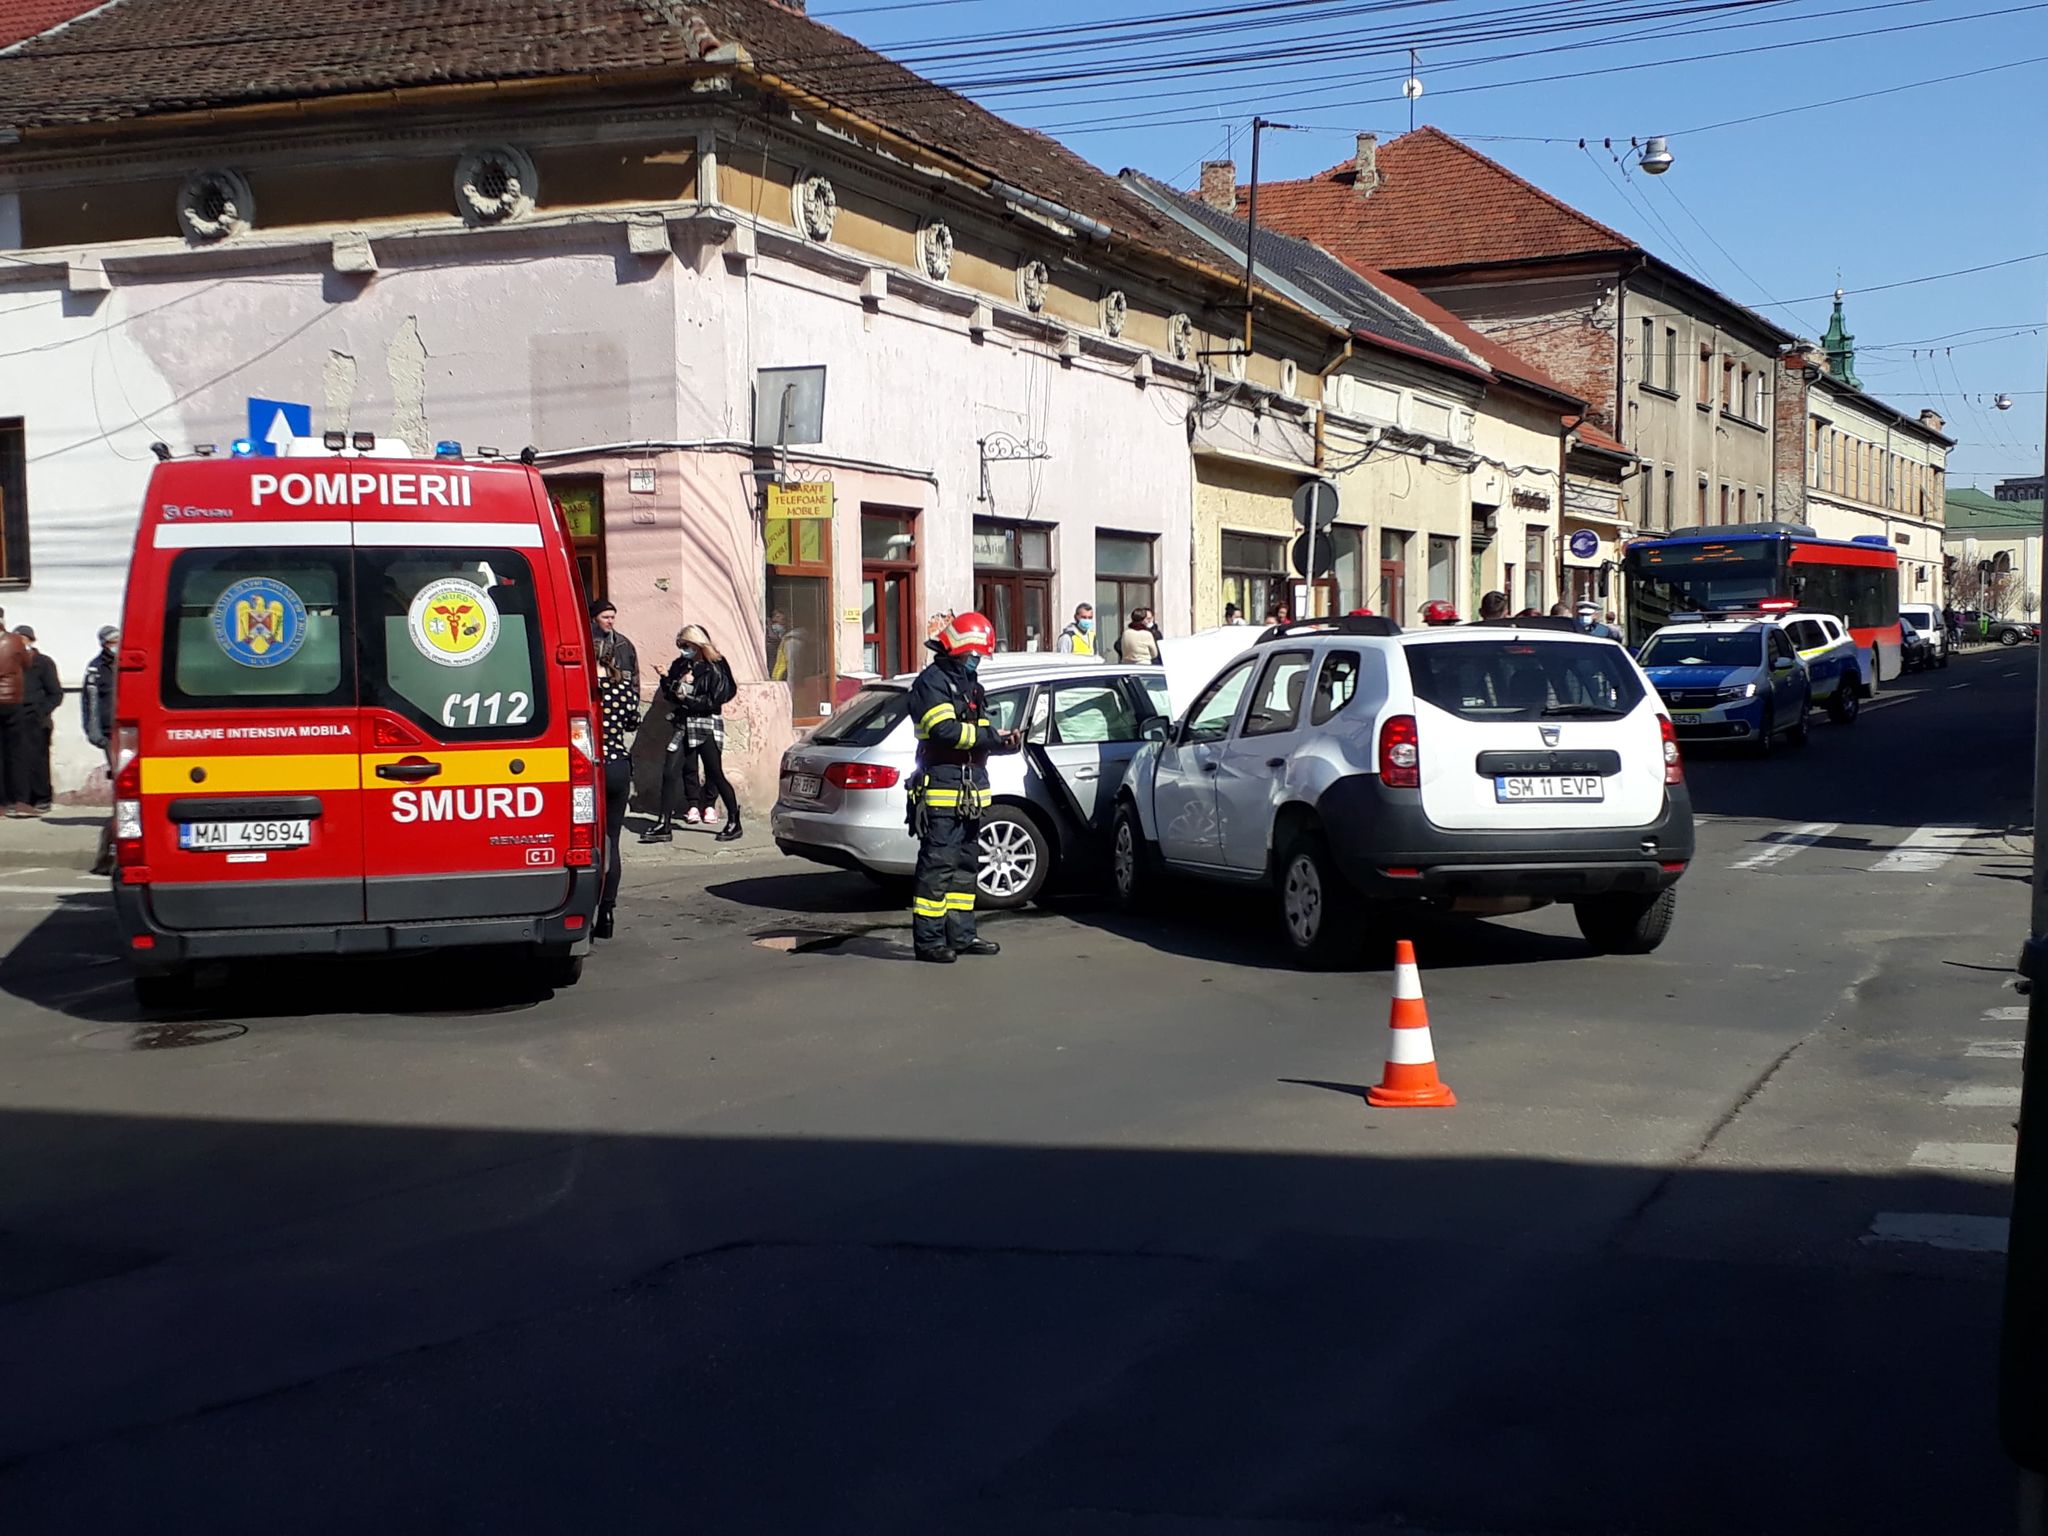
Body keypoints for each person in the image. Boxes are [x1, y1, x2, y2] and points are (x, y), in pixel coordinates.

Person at [906, 611, 1020, 963]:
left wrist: (1003, 742)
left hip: (970, 790)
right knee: (938, 866)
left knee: (966, 865)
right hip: (942, 787)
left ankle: (962, 935)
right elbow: (944, 731)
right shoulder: (932, 682)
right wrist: (986, 737)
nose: (977, 661)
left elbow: (979, 729)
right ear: (957, 649)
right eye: (974, 654)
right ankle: (929, 942)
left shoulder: (970, 685)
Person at [644, 624, 741, 843]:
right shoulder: (681, 665)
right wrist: (668, 680)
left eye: (686, 645)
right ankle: (664, 824)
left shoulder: (715, 664)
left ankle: (734, 820)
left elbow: (718, 696)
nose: (682, 649)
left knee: (715, 773)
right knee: (670, 771)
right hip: (683, 722)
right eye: (680, 645)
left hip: (706, 722)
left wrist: (687, 697)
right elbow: (672, 694)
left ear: (697, 644)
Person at [589, 599, 640, 940]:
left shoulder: (585, 692)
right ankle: (607, 911)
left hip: (591, 769)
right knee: (613, 840)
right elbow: (633, 720)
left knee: (587, 842)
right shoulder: (622, 689)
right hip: (620, 765)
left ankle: (586, 906)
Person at [82, 625, 118, 875]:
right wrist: (93, 731)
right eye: (112, 642)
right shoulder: (96, 668)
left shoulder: (130, 660)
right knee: (122, 782)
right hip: (110, 732)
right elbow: (89, 701)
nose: (116, 644)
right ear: (104, 644)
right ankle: (109, 854)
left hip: (133, 729)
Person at [16, 626, 59, 812]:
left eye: (23, 639)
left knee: (38, 760)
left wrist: (40, 712)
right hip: (14, 719)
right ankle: (21, 799)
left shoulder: (43, 663)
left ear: (31, 641)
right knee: (16, 761)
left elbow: (55, 693)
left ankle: (42, 797)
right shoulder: (9, 663)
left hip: (37, 720)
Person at [0, 611, 34, 818]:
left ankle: (1, 804)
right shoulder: (14, 641)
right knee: (17, 753)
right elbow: (28, 664)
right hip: (12, 701)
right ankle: (21, 801)